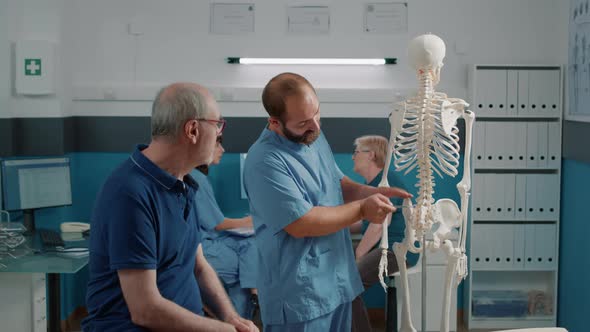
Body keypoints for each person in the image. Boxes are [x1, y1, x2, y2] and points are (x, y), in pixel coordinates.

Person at [82, 82, 258, 332]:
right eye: (218, 124)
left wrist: (230, 318)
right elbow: (145, 310)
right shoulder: (130, 194)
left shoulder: (184, 183)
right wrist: (223, 330)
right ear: (193, 129)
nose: (220, 133)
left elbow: (198, 264)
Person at [243, 72, 411, 331]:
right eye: (303, 124)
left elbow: (337, 184)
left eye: (317, 115)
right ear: (275, 123)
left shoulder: (314, 136)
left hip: (337, 281)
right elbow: (301, 223)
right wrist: (362, 209)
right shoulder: (265, 160)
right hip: (300, 296)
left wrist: (369, 192)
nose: (316, 127)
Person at [349, 135, 420, 332]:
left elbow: (378, 225)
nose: (353, 157)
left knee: (348, 284)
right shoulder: (377, 183)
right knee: (340, 275)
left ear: (370, 155)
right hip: (386, 248)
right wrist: (335, 222)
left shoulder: (385, 183)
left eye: (356, 152)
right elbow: (366, 222)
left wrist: (358, 256)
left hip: (396, 251)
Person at [192, 135, 259, 319]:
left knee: (249, 246)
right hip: (205, 250)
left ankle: (252, 295)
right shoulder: (196, 179)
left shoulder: (193, 177)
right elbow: (218, 223)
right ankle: (248, 304)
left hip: (204, 244)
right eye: (218, 143)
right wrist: (252, 222)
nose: (222, 150)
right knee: (250, 251)